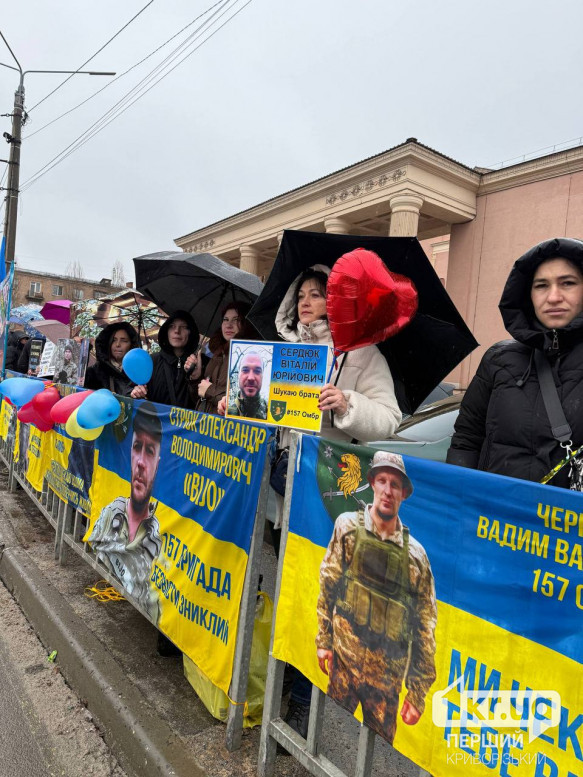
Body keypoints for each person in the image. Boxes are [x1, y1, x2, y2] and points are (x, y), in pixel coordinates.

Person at [220, 264, 402, 741]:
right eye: (301, 294)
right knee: (287, 591)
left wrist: (346, 404)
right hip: (281, 494)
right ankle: (282, 679)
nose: (306, 301)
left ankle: (303, 705)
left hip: (327, 498)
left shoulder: (362, 354)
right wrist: (236, 406)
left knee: (317, 600)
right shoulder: (284, 351)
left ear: (337, 301)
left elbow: (389, 419)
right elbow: (269, 416)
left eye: (318, 294)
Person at [316, 451, 437, 744]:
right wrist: (324, 640)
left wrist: (417, 694)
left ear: (404, 493)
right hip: (344, 662)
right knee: (328, 738)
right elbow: (328, 582)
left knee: (378, 753)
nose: (387, 491)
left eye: (395, 484)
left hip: (386, 683)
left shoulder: (416, 556)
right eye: (382, 481)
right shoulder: (347, 527)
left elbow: (425, 627)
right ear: (372, 483)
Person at [447, 237, 583, 488]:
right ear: (527, 294)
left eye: (568, 283)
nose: (553, 297)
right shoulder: (498, 360)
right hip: (496, 511)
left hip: (567, 514)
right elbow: (467, 440)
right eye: (541, 285)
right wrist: (460, 497)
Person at [88, 402, 162, 623]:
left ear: (158, 463)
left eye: (150, 452)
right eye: (137, 447)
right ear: (130, 452)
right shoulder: (110, 513)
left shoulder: (159, 541)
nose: (141, 463)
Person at [131, 310, 202, 409]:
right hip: (157, 418)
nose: (177, 331)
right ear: (166, 330)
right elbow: (135, 392)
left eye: (183, 327)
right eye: (172, 326)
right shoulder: (151, 361)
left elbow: (203, 403)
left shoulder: (202, 363)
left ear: (191, 332)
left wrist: (196, 378)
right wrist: (137, 393)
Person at [196, 301, 252, 415]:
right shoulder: (218, 353)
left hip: (226, 425)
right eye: (225, 319)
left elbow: (247, 404)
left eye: (236, 320)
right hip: (204, 422)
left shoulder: (250, 357)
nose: (228, 325)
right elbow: (200, 397)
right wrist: (195, 377)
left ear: (246, 323)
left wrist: (210, 390)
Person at [84, 322, 140, 396]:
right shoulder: (94, 372)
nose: (118, 344)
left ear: (132, 344)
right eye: (114, 340)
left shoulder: (138, 373)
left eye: (124, 340)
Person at [227, 351, 268, 420]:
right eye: (245, 370)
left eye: (257, 371)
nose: (251, 378)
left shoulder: (271, 412)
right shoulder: (226, 409)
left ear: (262, 376)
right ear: (238, 375)